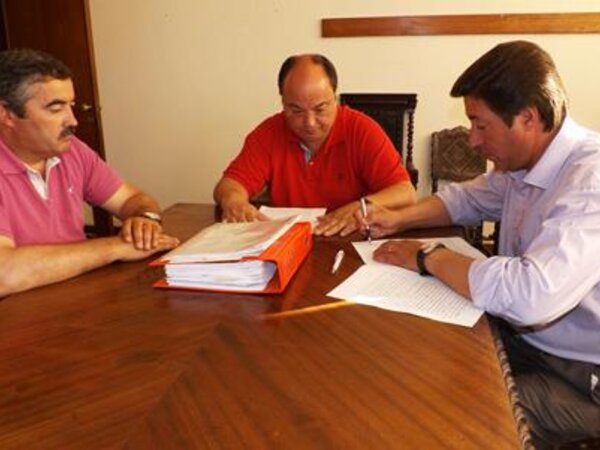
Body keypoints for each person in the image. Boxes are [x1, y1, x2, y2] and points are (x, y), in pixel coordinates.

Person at [361, 41, 600, 447]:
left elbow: (531, 295)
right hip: (529, 341)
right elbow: (466, 199)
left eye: (480, 125)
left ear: (528, 118)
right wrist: (398, 219)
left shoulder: (590, 180)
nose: (472, 140)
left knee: (457, 419)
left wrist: (429, 257)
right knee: (416, 367)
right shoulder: (524, 164)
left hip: (582, 374)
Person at [0, 48, 179, 297]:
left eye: (71, 106)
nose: (73, 120)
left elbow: (132, 199)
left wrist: (145, 219)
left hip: (74, 296)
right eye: (56, 108)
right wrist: (115, 247)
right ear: (6, 114)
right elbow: (5, 274)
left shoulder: (71, 150)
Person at [213, 53, 416, 236]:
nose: (309, 123)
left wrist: (361, 206)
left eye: (320, 109)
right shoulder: (269, 132)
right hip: (289, 242)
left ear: (335, 98)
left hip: (348, 241)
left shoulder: (361, 129)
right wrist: (234, 201)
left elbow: (405, 192)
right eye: (296, 110)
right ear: (282, 101)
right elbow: (229, 185)